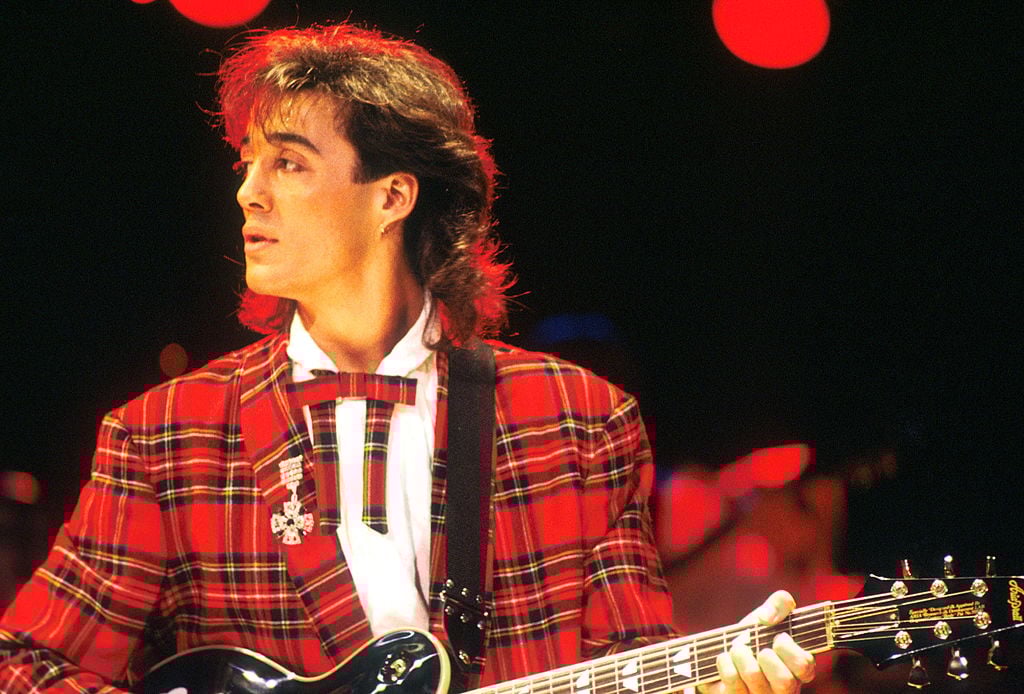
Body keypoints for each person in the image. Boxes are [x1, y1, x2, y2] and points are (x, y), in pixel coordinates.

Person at [0, 22, 815, 694]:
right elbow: (26, 664)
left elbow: (633, 661)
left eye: (288, 161)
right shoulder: (166, 435)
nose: (248, 190)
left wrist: (723, 687)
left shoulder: (580, 422)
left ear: (392, 196)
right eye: (247, 160)